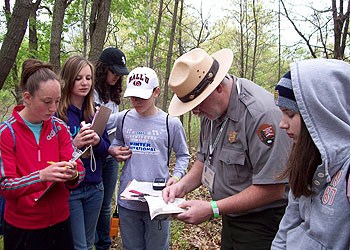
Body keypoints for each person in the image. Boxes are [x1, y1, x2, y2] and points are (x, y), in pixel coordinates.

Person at [162, 48, 292, 249]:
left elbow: (273, 189)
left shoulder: (260, 115)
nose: (196, 111)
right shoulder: (210, 111)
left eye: (198, 104)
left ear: (218, 88)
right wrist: (181, 187)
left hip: (263, 223)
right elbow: (203, 160)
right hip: (230, 216)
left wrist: (212, 209)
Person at [0, 58, 85, 250]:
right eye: (47, 102)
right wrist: (41, 176)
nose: (54, 108)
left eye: (57, 101)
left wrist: (73, 174)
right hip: (23, 227)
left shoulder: (59, 127)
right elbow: (5, 186)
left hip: (60, 222)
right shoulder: (7, 133)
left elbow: (79, 170)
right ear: (27, 98)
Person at [271, 59, 350, 249]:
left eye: (290, 114)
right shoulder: (305, 157)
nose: (282, 123)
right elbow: (290, 219)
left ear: (321, 114)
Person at [108, 66, 190, 250]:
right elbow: (113, 139)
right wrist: (113, 150)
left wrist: (176, 177)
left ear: (156, 92)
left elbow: (184, 155)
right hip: (128, 202)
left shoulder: (171, 123)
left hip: (158, 202)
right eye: (133, 96)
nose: (136, 101)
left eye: (142, 96)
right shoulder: (123, 118)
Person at [57, 55, 110, 250]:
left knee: (88, 243)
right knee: (79, 246)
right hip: (72, 189)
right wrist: (74, 144)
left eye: (88, 78)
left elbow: (106, 151)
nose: (84, 83)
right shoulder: (58, 114)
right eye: (79, 78)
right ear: (69, 79)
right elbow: (51, 155)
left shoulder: (95, 111)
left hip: (96, 186)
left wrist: (97, 142)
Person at [94, 47, 129, 250]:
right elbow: (98, 125)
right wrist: (125, 116)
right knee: (95, 202)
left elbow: (111, 126)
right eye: (113, 71)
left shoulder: (113, 94)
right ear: (103, 69)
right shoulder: (92, 93)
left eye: (119, 74)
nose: (116, 76)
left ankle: (104, 244)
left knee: (106, 204)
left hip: (111, 154)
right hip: (94, 155)